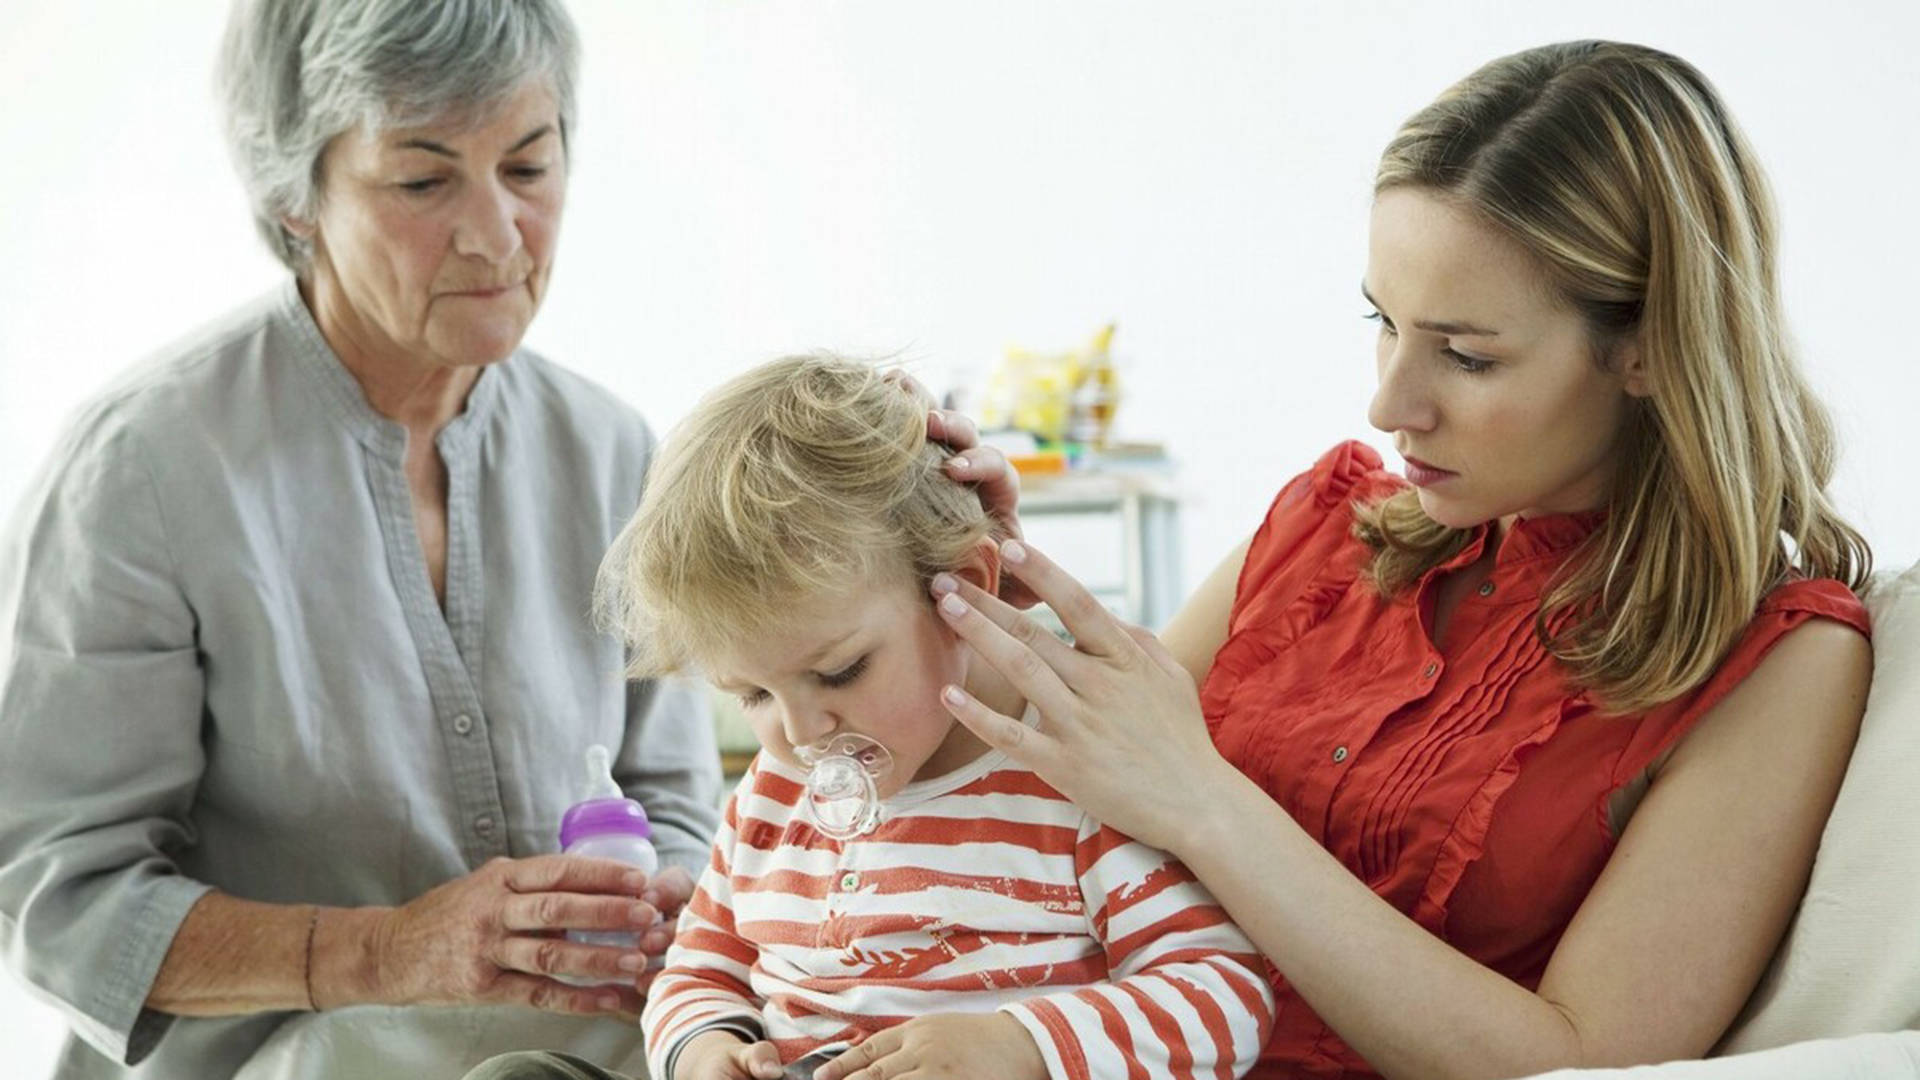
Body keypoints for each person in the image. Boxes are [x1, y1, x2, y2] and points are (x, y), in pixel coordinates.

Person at [923, 40, 1876, 1079]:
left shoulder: (1780, 663)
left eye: (1468, 356)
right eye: (1383, 322)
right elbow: (1024, 817)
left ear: (1650, 345)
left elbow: (1589, 1061)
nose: (1390, 405)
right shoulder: (1321, 528)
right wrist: (973, 597)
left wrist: (1207, 803)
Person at [0, 2, 721, 1078]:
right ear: (298, 199)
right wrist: (388, 952)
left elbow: (675, 807)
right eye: (424, 182)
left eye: (527, 168)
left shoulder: (616, 454)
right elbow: (62, 896)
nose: (495, 235)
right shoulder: (144, 471)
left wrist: (660, 900)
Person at [469, 355, 1276, 1080]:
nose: (796, 732)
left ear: (966, 586)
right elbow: (699, 968)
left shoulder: (1078, 778)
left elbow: (1222, 997)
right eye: (752, 695)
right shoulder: (770, 796)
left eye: (838, 672)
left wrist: (1023, 1046)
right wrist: (705, 1050)